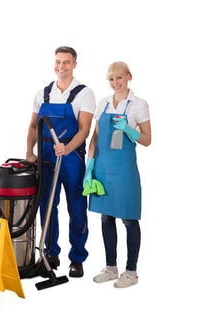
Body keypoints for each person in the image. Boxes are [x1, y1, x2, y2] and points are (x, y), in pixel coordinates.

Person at [26, 46, 96, 278]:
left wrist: (67, 148)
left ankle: (77, 258)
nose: (61, 66)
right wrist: (29, 150)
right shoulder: (43, 93)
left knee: (76, 208)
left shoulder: (84, 93)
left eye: (66, 62)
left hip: (71, 159)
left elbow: (85, 129)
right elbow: (33, 126)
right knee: (47, 207)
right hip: (46, 160)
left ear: (74, 64)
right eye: (58, 62)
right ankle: (50, 252)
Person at [84, 61, 151, 288]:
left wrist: (130, 130)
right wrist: (89, 166)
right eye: (111, 79)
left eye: (119, 78)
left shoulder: (138, 105)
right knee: (106, 217)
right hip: (102, 167)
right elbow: (95, 136)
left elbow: (147, 139)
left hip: (124, 170)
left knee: (129, 219)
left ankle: (131, 272)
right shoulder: (103, 104)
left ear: (129, 77)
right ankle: (111, 267)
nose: (115, 83)